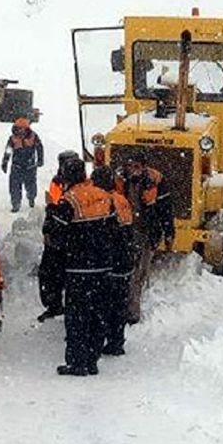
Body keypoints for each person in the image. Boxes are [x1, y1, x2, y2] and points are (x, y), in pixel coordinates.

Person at [46, 157, 115, 376]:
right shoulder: (104, 197)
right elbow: (114, 229)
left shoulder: (69, 201)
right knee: (98, 315)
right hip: (104, 267)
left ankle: (77, 363)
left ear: (67, 177)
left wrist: (50, 209)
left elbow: (54, 230)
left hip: (79, 268)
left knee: (77, 317)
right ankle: (92, 360)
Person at [116, 151, 173, 323]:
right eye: (130, 166)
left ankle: (131, 310)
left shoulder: (156, 181)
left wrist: (169, 233)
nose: (133, 170)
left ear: (144, 167)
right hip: (125, 232)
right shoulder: (118, 180)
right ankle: (126, 311)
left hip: (148, 232)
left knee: (140, 273)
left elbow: (165, 209)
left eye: (137, 167)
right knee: (128, 272)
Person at [90, 165, 135, 356]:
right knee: (120, 302)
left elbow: (103, 233)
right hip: (125, 259)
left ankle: (101, 342)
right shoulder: (122, 200)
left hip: (110, 261)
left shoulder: (102, 202)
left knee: (103, 304)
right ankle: (117, 341)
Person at [35, 150, 81, 323]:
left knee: (65, 275)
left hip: (71, 237)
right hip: (58, 236)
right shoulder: (57, 183)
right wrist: (48, 230)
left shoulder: (81, 187)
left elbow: (57, 210)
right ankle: (54, 305)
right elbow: (53, 208)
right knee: (49, 274)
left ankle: (69, 309)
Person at [0, 116, 43, 212]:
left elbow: (39, 147)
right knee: (14, 187)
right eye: (18, 129)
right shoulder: (12, 139)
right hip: (17, 167)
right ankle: (16, 204)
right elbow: (8, 151)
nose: (20, 131)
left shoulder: (33, 136)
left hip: (30, 167)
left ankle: (31, 198)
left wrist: (40, 160)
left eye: (23, 129)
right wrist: (5, 162)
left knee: (31, 186)